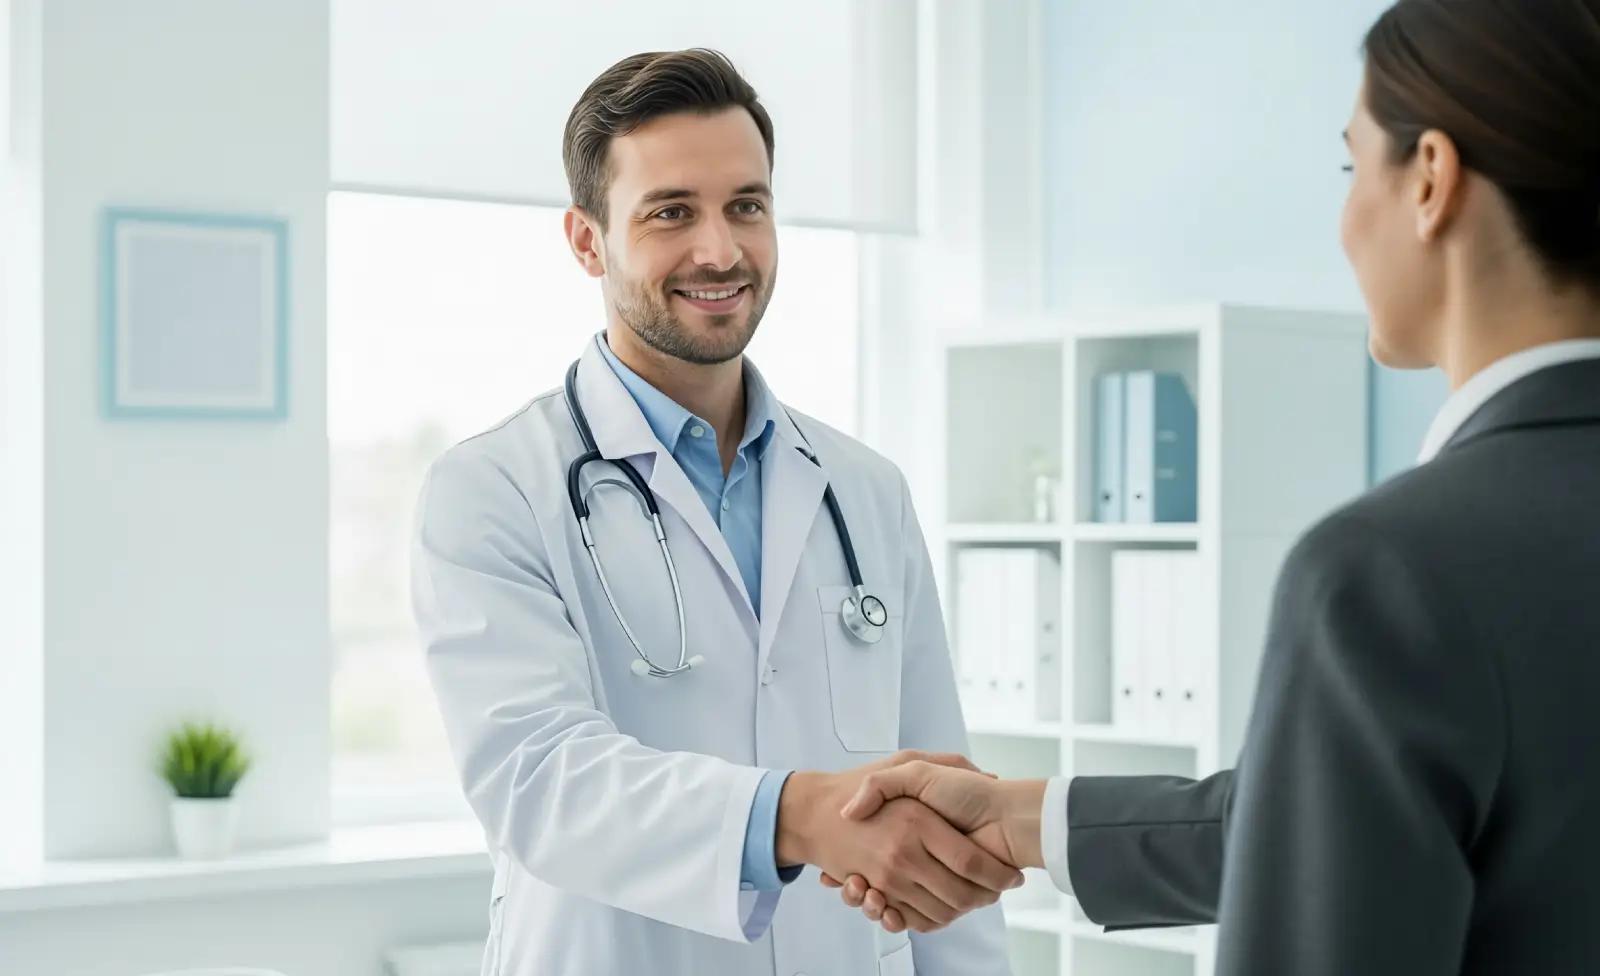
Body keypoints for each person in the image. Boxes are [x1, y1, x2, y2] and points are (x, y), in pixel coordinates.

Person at [825, 0, 1600, 972]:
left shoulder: (1389, 573)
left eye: (1350, 166)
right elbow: (1375, 826)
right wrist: (1029, 817)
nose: (1345, 219)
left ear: (1431, 181)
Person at [411, 49, 1017, 976]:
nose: (720, 251)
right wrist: (800, 816)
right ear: (587, 242)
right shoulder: (494, 489)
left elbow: (943, 819)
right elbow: (540, 783)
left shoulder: (865, 490)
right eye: (670, 213)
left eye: (747, 205)